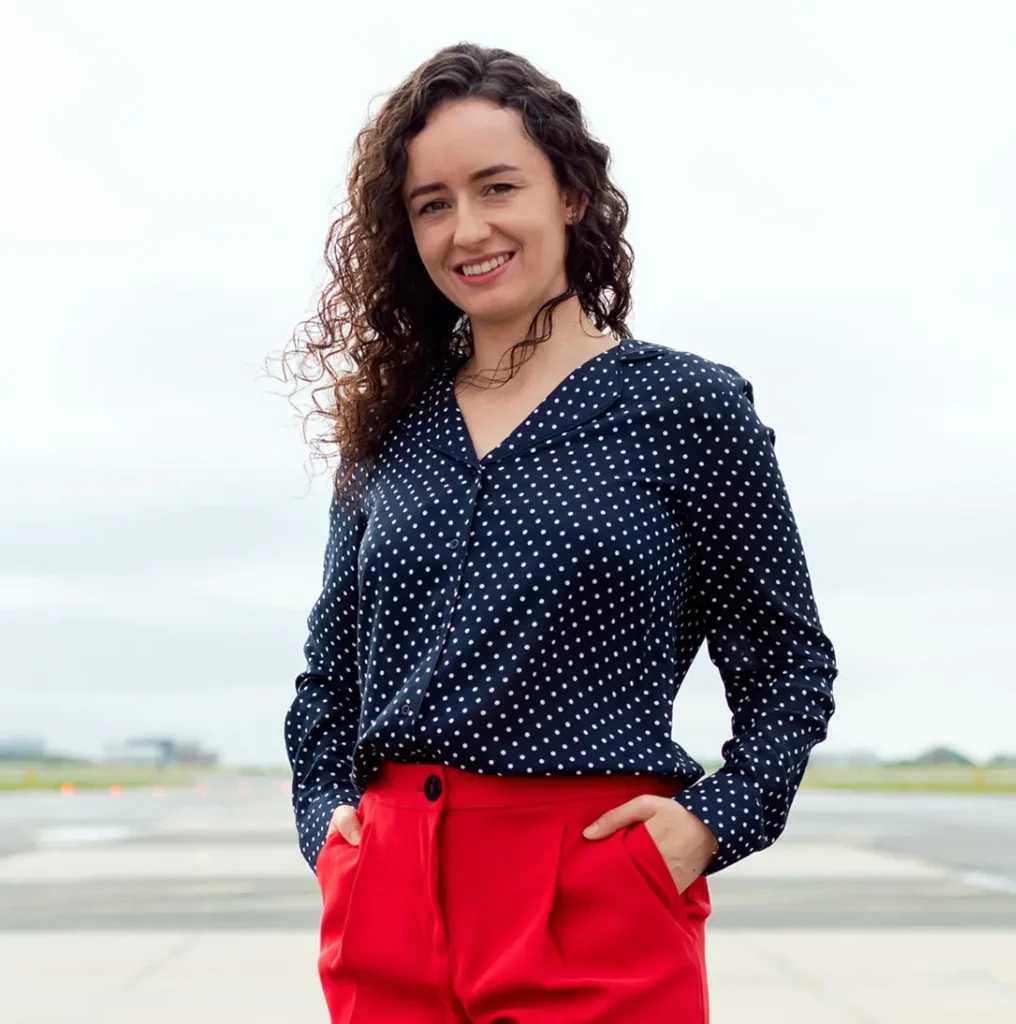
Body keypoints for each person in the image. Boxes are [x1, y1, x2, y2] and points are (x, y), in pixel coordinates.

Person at [282, 41, 838, 1024]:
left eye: (498, 186)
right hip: (386, 892)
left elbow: (786, 657)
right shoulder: (390, 431)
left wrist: (712, 821)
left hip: (591, 889)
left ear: (571, 195)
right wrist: (327, 824)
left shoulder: (688, 408)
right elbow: (331, 675)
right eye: (433, 203)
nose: (468, 228)